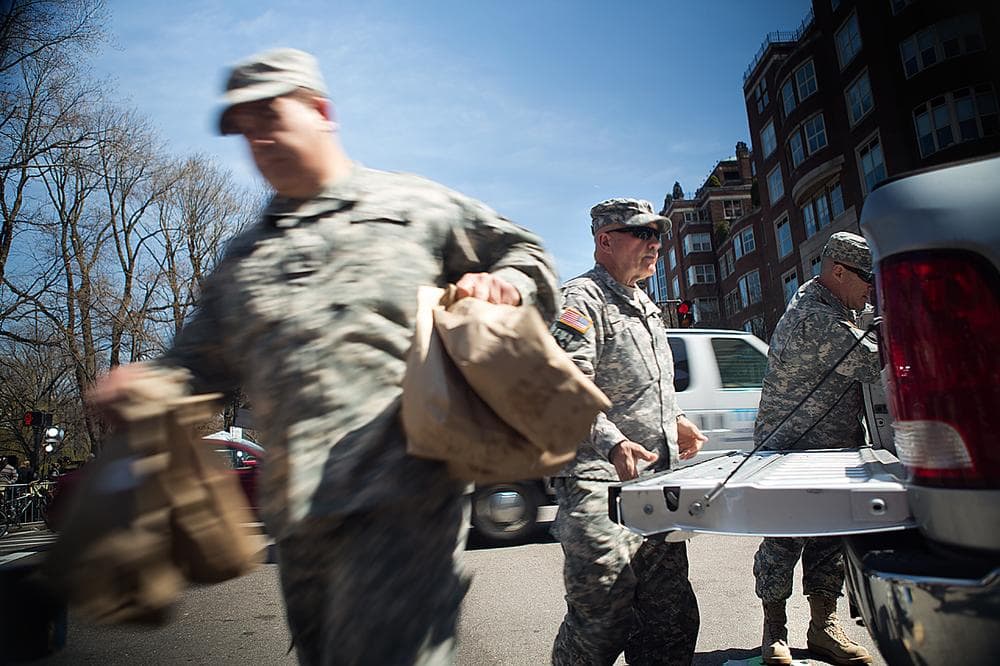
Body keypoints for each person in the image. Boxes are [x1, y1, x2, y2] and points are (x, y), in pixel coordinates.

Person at [89, 48, 560, 665]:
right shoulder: (244, 262)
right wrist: (144, 386)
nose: (258, 138)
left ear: (320, 110)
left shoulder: (415, 208)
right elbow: (194, 367)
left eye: (270, 115)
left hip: (402, 509)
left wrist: (506, 287)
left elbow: (528, 256)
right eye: (244, 129)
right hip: (299, 529)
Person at [549, 198, 707, 666]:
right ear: (606, 240)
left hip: (655, 487)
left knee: (670, 618)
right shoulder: (580, 301)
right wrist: (612, 440)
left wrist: (676, 420)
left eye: (657, 234)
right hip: (597, 485)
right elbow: (565, 387)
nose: (655, 243)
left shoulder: (647, 307)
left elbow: (652, 386)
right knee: (603, 619)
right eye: (642, 234)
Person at [753, 231, 880, 666]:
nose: (871, 288)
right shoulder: (815, 317)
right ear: (838, 271)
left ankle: (823, 626)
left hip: (834, 449)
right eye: (867, 277)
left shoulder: (839, 309)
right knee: (784, 539)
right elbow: (872, 361)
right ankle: (775, 630)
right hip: (792, 450)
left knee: (829, 539)